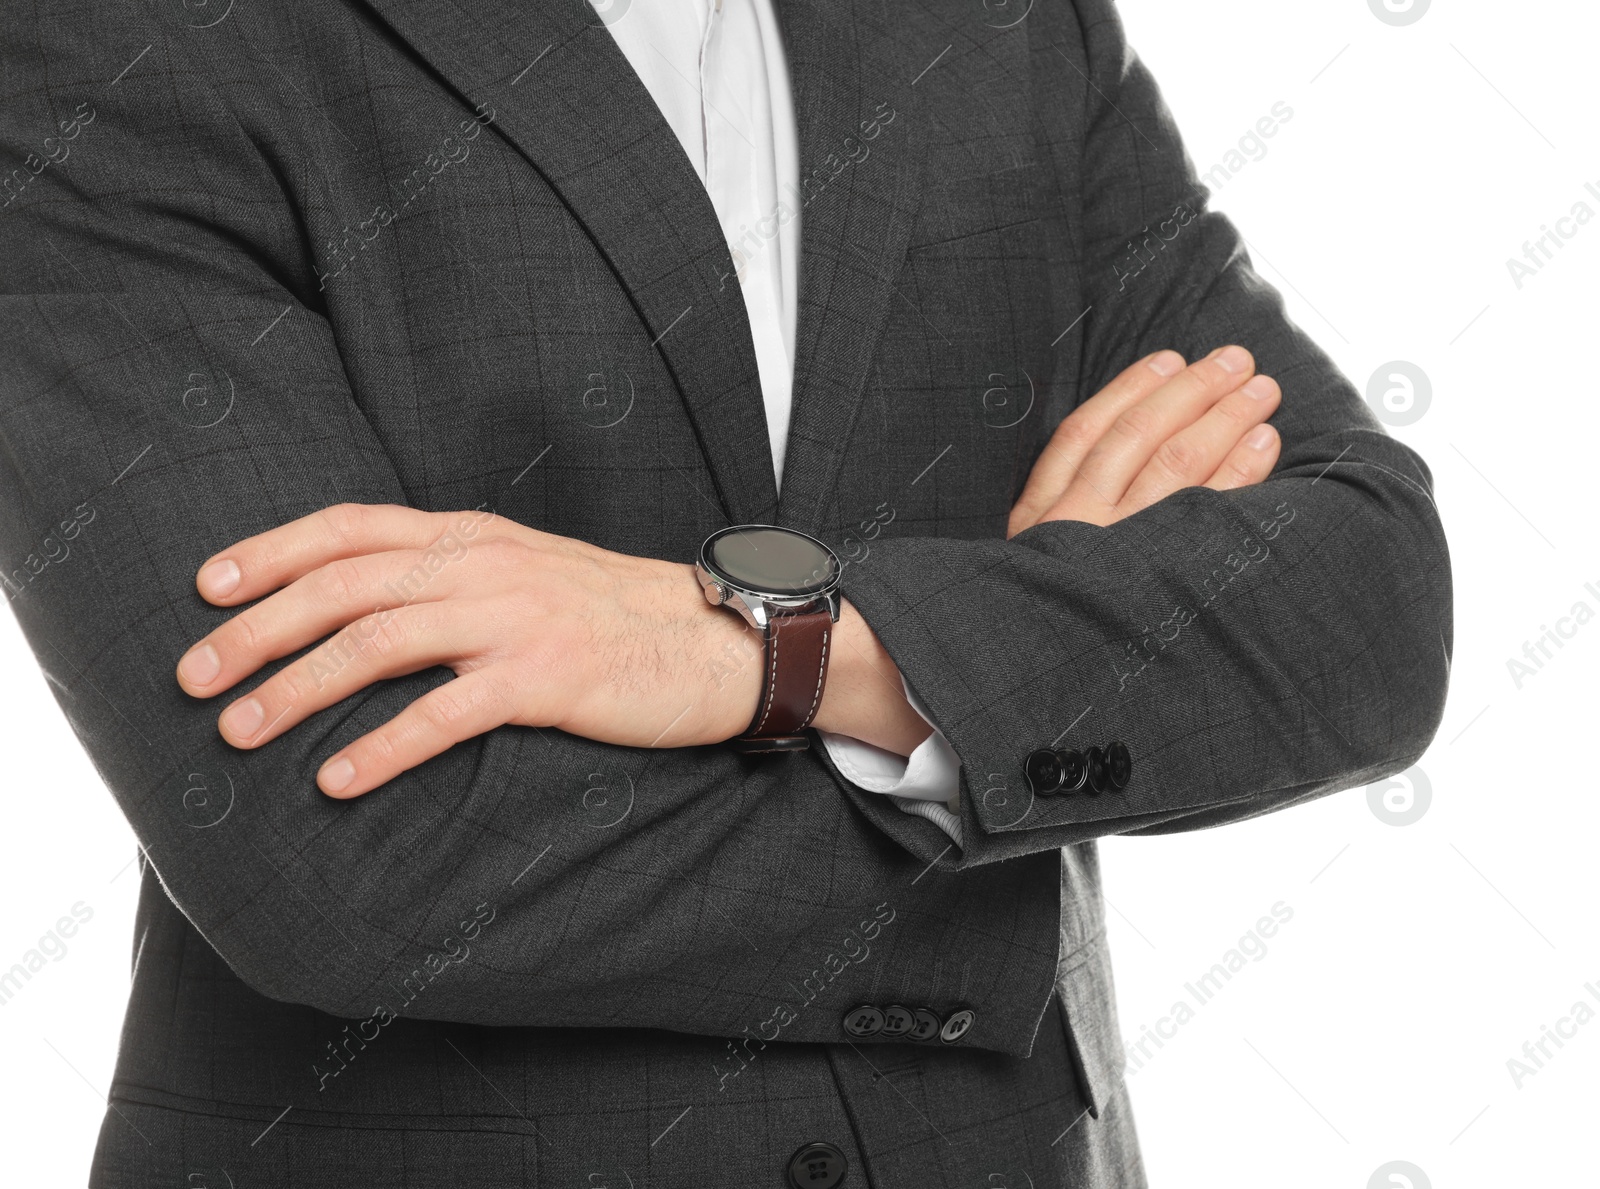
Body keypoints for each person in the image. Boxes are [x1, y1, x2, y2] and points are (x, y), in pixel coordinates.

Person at [0, 0, 1452, 1184]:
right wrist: (993, 730)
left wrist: (766, 654)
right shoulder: (115, 38)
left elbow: (1367, 606)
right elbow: (347, 855)